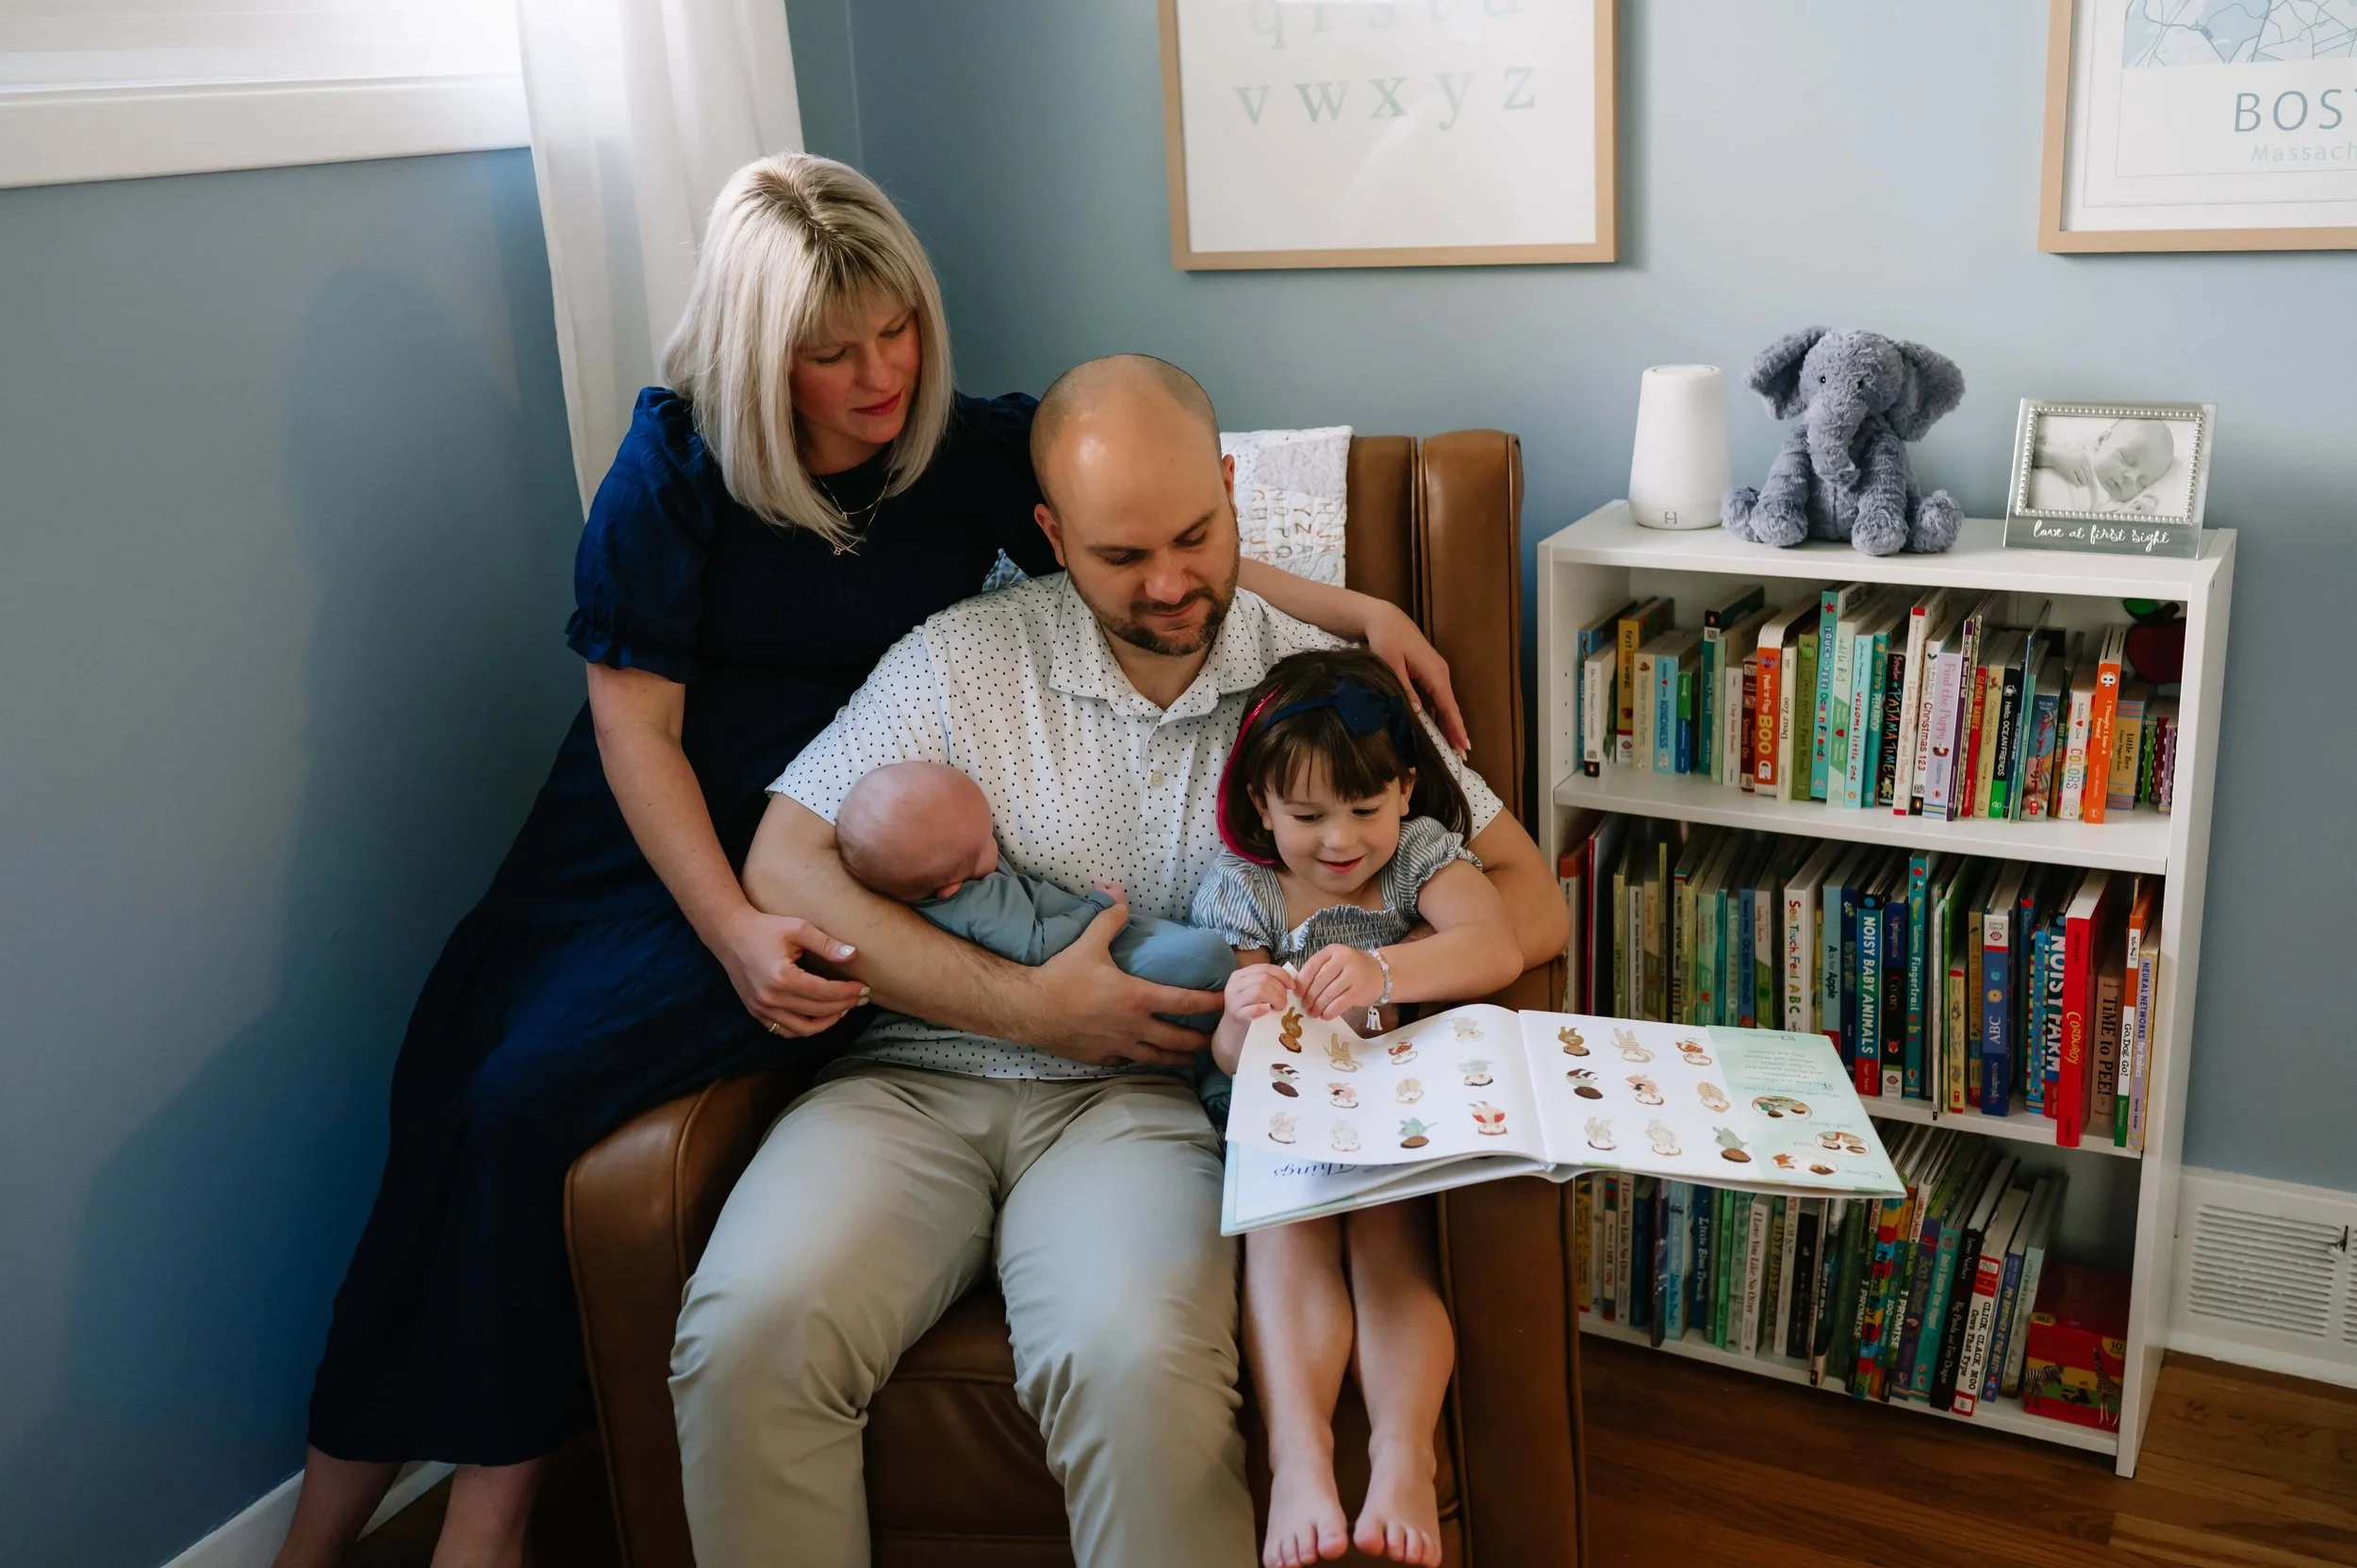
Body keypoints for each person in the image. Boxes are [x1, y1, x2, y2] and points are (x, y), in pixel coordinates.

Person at [273, 156, 1467, 1568]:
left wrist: (1361, 608)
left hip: (920, 915)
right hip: (667, 856)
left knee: (536, 1117)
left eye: (895, 328)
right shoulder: (689, 468)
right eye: (830, 352)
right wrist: (739, 925)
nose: (876, 371)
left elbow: (1153, 540)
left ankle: (484, 1514)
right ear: (758, 353)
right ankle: (392, 1518)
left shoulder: (959, 454)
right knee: (489, 1106)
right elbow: (643, 738)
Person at [668, 354, 1566, 1568]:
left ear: (1232, 488)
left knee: (1138, 1363)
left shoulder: (1316, 695)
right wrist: (1031, 1007)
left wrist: (1386, 977)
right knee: (745, 1336)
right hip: (904, 1084)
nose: (1169, 583)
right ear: (1050, 533)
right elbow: (786, 862)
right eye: (1118, 556)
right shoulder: (959, 657)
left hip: (1140, 1109)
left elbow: (1526, 899)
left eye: (1194, 536)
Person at [1196, 648, 1523, 1568]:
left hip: (1396, 1111)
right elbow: (1227, 1058)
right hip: (1285, 1118)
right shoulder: (1241, 890)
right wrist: (1240, 1012)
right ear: (1261, 804)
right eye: (1306, 816)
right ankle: (1297, 1452)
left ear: (1406, 790)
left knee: (1387, 1247)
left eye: (1364, 809)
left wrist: (1383, 969)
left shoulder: (1420, 854)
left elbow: (1492, 943)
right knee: (1286, 1239)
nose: (1339, 840)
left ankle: (1400, 1451)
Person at [833, 758, 1236, 1063]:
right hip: (1099, 965)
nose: (997, 839)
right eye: (985, 838)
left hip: (1104, 948)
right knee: (1209, 958)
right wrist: (1098, 907)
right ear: (954, 883)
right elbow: (1041, 946)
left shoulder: (942, 886)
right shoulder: (978, 903)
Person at [2028, 417, 2186, 514]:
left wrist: (2126, 515)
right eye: (2126, 459)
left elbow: (2091, 532)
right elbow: (2021, 454)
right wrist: (2052, 455)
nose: (2130, 477)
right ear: (2102, 440)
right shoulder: (2074, 450)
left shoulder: (2111, 504)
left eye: (2141, 482)